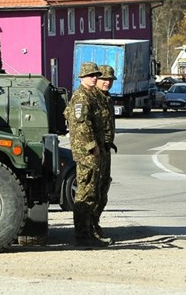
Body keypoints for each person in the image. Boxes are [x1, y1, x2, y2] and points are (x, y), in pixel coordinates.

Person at [63, 62, 110, 247]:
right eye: (91, 75)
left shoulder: (92, 95)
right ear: (82, 77)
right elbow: (81, 125)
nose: (95, 78)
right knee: (86, 192)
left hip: (94, 150)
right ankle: (83, 235)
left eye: (96, 75)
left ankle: (90, 230)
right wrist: (92, 146)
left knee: (95, 190)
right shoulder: (81, 97)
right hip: (86, 152)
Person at [94, 64, 117, 244]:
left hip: (105, 149)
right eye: (104, 79)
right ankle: (88, 229)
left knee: (103, 192)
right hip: (94, 151)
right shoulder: (91, 98)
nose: (107, 82)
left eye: (110, 80)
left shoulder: (107, 99)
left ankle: (95, 225)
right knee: (91, 192)